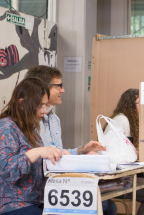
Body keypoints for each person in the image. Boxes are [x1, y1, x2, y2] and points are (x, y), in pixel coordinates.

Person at [24, 65, 117, 215]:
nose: (63, 90)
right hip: (40, 189)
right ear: (42, 88)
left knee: (108, 205)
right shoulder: (28, 121)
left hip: (57, 184)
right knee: (103, 205)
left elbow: (59, 153)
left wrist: (82, 151)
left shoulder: (54, 119)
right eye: (59, 86)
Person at [0, 77, 67, 215]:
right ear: (22, 104)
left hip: (32, 201)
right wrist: (37, 152)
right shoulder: (4, 129)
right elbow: (7, 170)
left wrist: (61, 156)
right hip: (6, 204)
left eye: (46, 105)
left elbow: (41, 162)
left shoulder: (29, 130)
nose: (44, 111)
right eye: (40, 105)